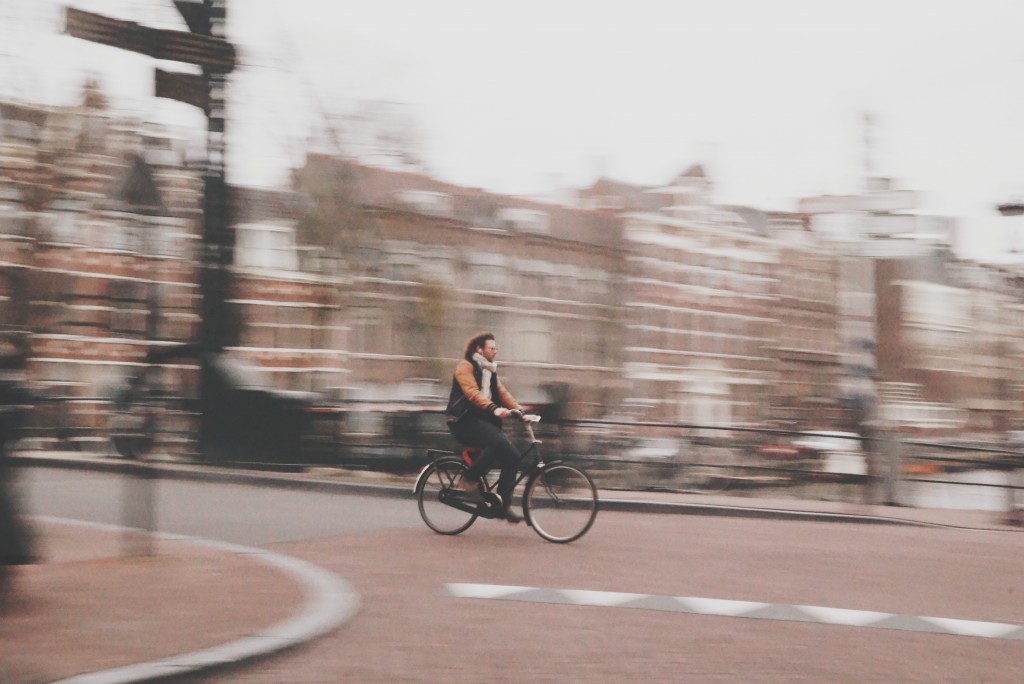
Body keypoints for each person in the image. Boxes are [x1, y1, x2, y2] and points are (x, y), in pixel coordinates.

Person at [444, 331, 524, 523]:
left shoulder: (489, 371)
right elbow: (472, 393)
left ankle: (503, 506)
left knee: (512, 458)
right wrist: (493, 409)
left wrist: (520, 411)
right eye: (491, 348)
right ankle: (469, 479)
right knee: (497, 441)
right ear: (479, 349)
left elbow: (502, 393)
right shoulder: (465, 367)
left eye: (496, 348)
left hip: (480, 421)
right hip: (462, 421)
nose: (495, 351)